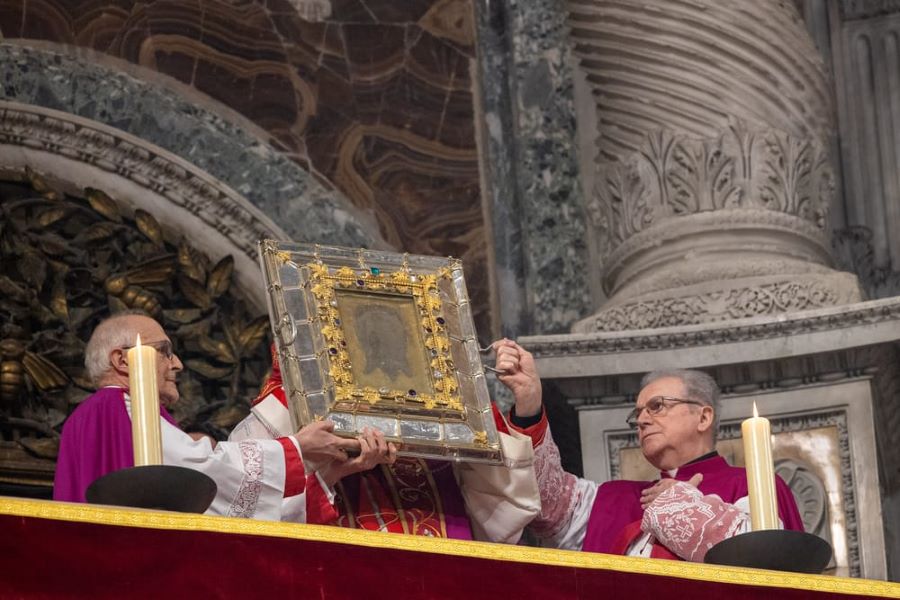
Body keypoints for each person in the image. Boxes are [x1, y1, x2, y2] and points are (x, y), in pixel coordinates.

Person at [53, 310, 389, 521]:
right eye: (165, 352)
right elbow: (202, 472)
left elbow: (214, 516)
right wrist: (296, 449)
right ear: (122, 361)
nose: (177, 364)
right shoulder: (118, 406)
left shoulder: (85, 420)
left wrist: (327, 477)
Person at [493, 339, 804, 561]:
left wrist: (678, 504)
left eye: (657, 406)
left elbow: (762, 564)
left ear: (704, 416)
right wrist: (530, 403)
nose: (642, 419)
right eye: (638, 413)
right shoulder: (612, 500)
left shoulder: (754, 486)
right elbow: (543, 502)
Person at [229, 345, 541, 542]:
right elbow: (247, 511)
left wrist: (527, 405)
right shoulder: (284, 421)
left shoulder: (439, 429)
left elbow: (507, 511)